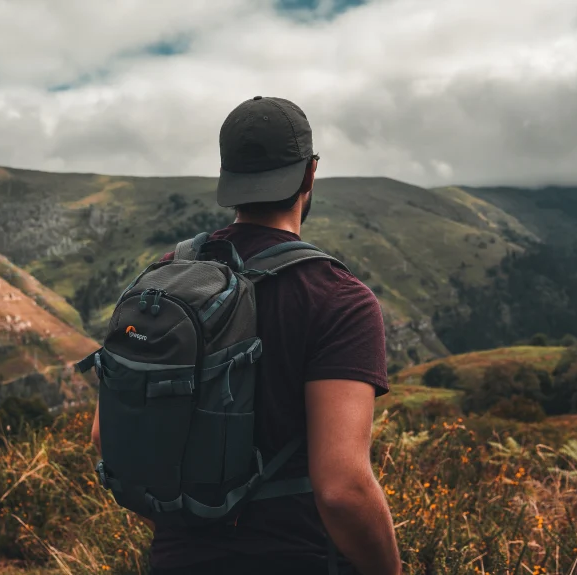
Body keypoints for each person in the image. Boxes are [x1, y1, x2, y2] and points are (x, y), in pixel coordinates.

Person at [91, 96, 401, 575]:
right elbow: (342, 489)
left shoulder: (167, 274)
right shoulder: (340, 298)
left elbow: (104, 435)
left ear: (227, 178)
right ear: (310, 174)